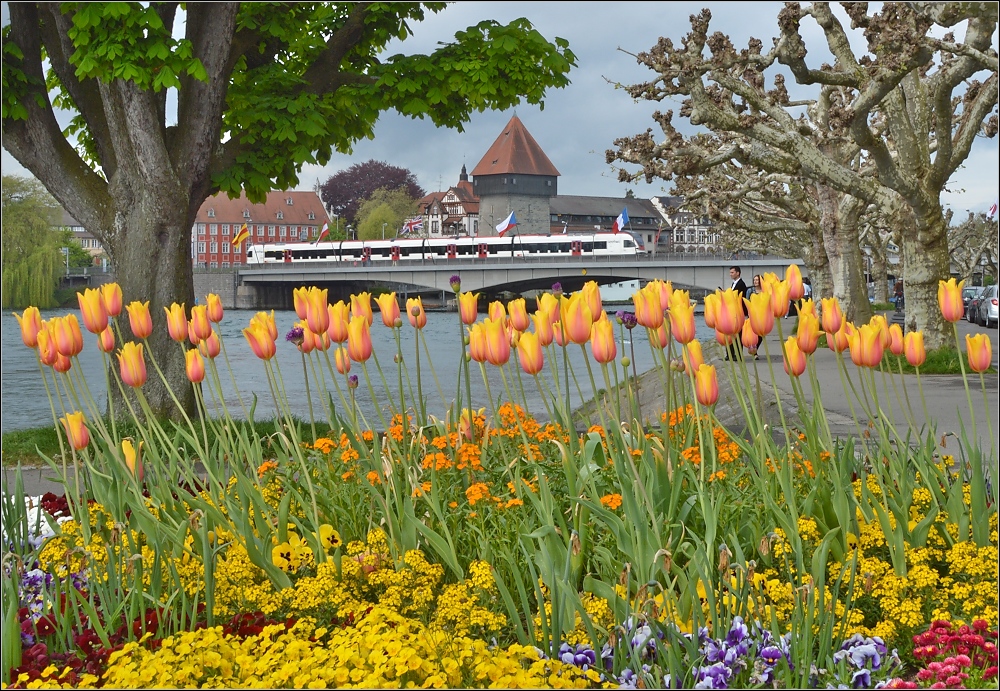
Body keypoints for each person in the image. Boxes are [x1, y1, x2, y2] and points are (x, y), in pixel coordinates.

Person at [725, 266, 749, 361]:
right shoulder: (734, 284)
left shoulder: (741, 284)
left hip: (738, 311)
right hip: (733, 311)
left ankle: (737, 354)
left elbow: (736, 296)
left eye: (732, 272)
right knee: (731, 333)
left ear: (738, 273)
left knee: (738, 334)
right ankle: (730, 353)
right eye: (730, 272)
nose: (731, 274)